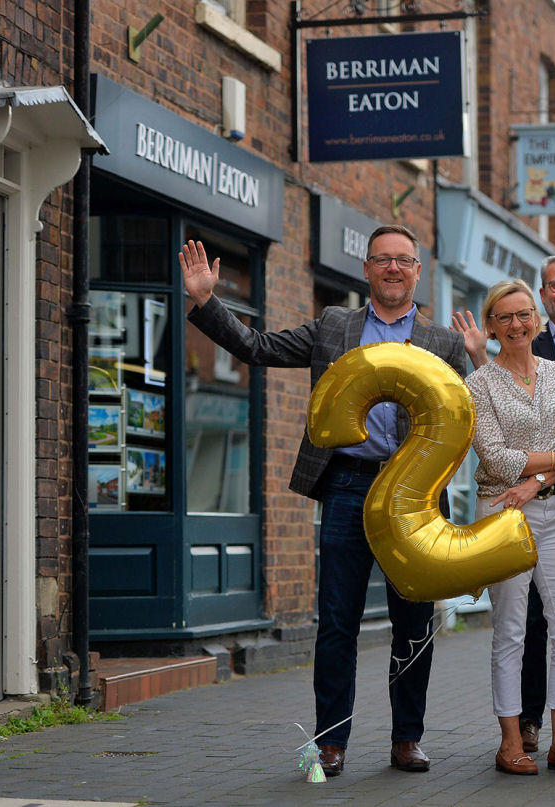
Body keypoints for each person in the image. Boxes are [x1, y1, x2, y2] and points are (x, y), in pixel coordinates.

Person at [178, 225, 466, 777]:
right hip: (348, 486)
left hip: (418, 497)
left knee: (413, 622)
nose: (393, 269)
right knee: (337, 621)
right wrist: (206, 300)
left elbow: (473, 418)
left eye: (403, 260)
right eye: (382, 259)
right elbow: (258, 348)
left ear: (418, 272)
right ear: (366, 269)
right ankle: (331, 741)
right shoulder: (336, 326)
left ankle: (407, 738)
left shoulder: (445, 344)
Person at [453, 255, 555, 754]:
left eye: (523, 315)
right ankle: (511, 741)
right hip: (503, 515)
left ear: (536, 319)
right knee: (512, 631)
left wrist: (538, 478)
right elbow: (495, 459)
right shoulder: (478, 384)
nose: (516, 324)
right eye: (505, 317)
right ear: (492, 325)